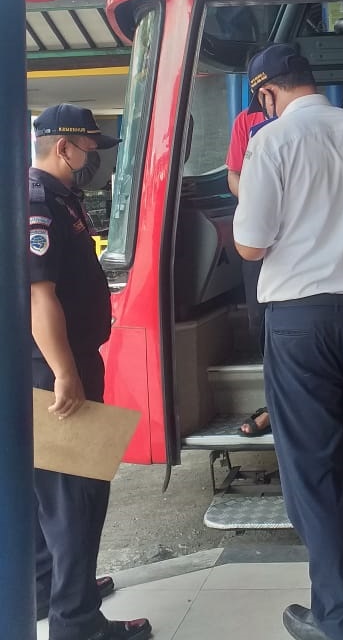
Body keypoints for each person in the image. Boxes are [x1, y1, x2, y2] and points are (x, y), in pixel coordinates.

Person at [232, 44, 343, 640]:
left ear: (266, 93)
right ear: (311, 80)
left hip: (298, 323)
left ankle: (336, 617)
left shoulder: (271, 142)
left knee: (314, 468)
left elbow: (251, 247)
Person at [29, 104, 152, 640]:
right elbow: (40, 298)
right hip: (58, 369)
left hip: (62, 363)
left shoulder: (60, 198)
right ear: (63, 147)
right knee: (76, 496)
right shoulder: (39, 203)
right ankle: (76, 622)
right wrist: (65, 372)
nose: (89, 159)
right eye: (86, 149)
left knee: (53, 496)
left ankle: (55, 589)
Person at [225, 50, 273, 437]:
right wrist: (260, 207)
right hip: (260, 233)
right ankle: (275, 400)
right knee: (260, 319)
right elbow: (234, 176)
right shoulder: (248, 121)